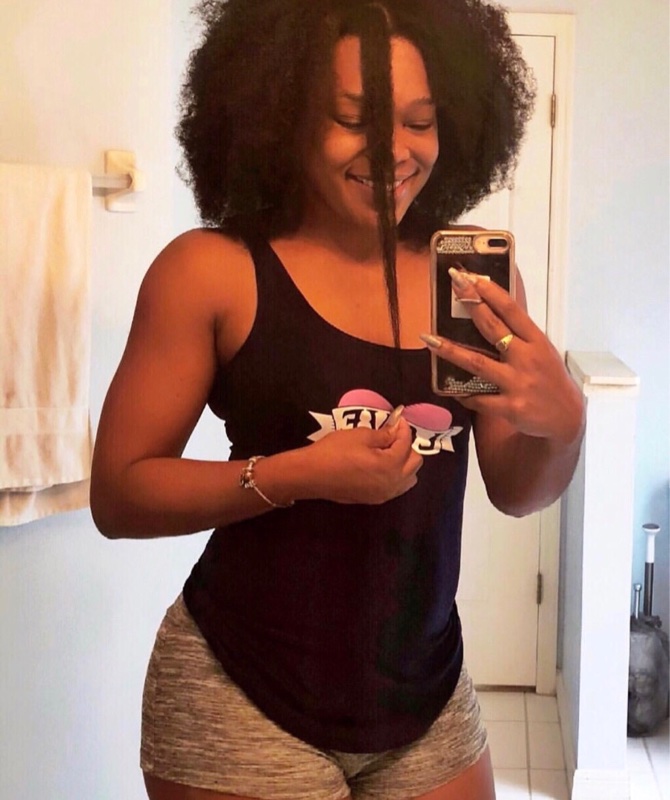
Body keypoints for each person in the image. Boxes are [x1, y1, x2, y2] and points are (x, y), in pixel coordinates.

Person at [90, 1, 585, 798]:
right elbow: (120, 495)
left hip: (425, 695)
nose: (393, 151)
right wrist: (299, 474)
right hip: (240, 697)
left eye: (420, 121)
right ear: (280, 114)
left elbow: (516, 491)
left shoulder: (469, 288)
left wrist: (563, 427)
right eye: (355, 120)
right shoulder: (210, 272)